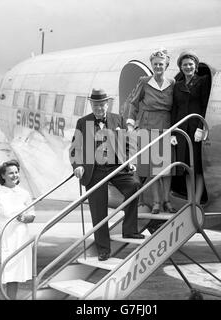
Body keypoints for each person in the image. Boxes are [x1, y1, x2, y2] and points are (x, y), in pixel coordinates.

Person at [69, 88, 143, 262]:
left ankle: (130, 229)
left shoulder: (118, 119)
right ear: (91, 105)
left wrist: (131, 160)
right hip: (94, 170)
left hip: (116, 167)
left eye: (102, 104)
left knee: (134, 186)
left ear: (107, 104)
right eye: (95, 104)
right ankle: (103, 248)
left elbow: (129, 143)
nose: (99, 108)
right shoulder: (83, 122)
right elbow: (75, 149)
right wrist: (78, 166)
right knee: (98, 208)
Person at [126, 48, 176, 214]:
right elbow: (133, 103)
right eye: (155, 64)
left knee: (166, 168)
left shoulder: (172, 83)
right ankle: (156, 202)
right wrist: (131, 123)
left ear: (166, 65)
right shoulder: (145, 82)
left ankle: (167, 201)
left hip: (166, 125)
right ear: (152, 65)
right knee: (153, 169)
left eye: (161, 64)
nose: (158, 67)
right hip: (148, 125)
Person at [0, 160, 35, 300]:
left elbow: (32, 216)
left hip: (19, 239)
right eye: (11, 173)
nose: (14, 175)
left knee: (14, 276)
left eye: (16, 172)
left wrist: (24, 218)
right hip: (1, 239)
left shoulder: (24, 193)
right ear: (3, 176)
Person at [171, 51, 210, 204]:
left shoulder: (202, 82)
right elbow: (174, 109)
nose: (188, 67)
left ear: (195, 66)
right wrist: (172, 132)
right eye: (185, 64)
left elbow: (205, 105)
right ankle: (190, 199)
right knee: (186, 166)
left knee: (198, 167)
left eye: (191, 64)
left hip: (195, 130)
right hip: (181, 129)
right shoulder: (178, 85)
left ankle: (197, 200)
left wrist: (201, 127)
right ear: (181, 67)